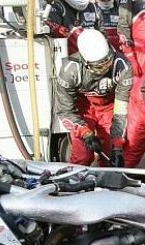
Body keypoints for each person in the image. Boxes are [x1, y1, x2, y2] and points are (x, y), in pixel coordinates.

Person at [56, 29, 133, 166]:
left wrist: (117, 145)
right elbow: (65, 110)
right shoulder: (70, 71)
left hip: (110, 106)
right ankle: (74, 182)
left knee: (113, 157)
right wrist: (85, 132)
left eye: (108, 61)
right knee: (83, 156)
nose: (105, 68)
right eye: (99, 66)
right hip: (83, 108)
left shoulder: (122, 66)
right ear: (86, 63)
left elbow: (121, 108)